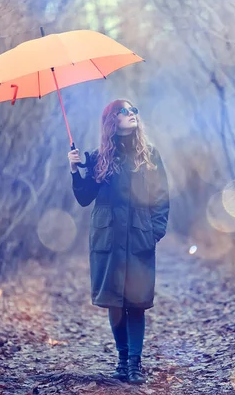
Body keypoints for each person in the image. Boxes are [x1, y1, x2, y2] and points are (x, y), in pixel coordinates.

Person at [67, 99, 169, 384]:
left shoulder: (150, 155)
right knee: (115, 301)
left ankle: (136, 363)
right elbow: (85, 197)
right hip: (108, 239)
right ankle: (122, 360)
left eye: (134, 109)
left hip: (139, 237)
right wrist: (75, 170)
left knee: (136, 301)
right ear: (112, 120)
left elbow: (161, 198)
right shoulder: (99, 157)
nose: (132, 114)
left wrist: (154, 232)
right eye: (124, 111)